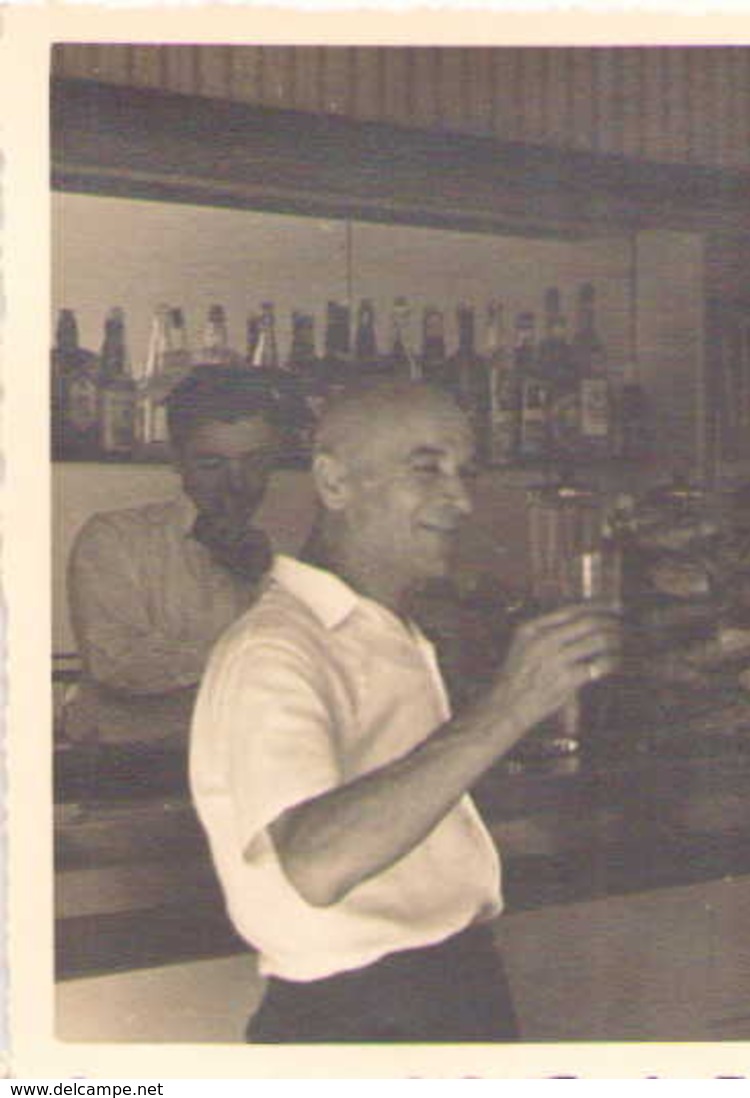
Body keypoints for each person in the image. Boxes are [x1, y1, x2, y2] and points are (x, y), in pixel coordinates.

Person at [189, 380, 621, 1042]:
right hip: (354, 1019)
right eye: (427, 470)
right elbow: (314, 863)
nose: (463, 500)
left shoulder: (389, 629)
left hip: (451, 985)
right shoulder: (272, 649)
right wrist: (510, 706)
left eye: (465, 473)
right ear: (333, 482)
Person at [64, 368, 288, 747]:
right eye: (212, 464)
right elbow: (119, 667)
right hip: (139, 776)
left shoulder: (295, 551)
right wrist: (265, 677)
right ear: (176, 460)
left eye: (252, 462)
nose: (237, 484)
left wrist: (161, 711)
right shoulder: (114, 540)